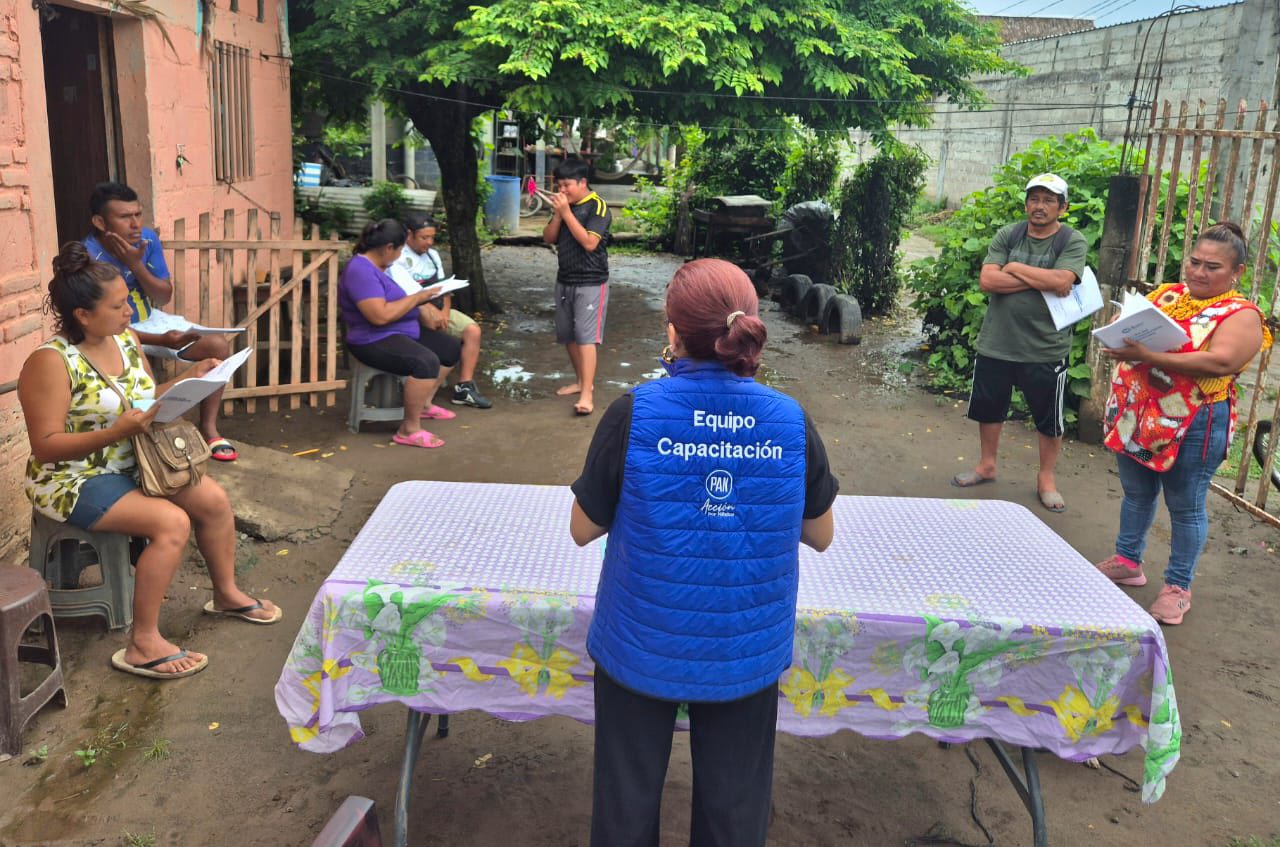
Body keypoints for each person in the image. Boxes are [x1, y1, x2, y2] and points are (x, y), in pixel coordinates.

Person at [570, 258, 839, 847]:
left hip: (641, 642)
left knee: (624, 806)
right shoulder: (789, 421)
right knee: (733, 813)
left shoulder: (634, 411)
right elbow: (820, 535)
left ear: (673, 331)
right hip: (744, 646)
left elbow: (583, 529)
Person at [20, 243, 283, 680]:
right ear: (83, 315)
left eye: (127, 302)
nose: (129, 312)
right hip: (72, 478)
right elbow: (45, 446)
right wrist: (115, 432)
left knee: (214, 501)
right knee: (171, 523)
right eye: (118, 306)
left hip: (137, 461)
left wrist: (190, 379)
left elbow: (141, 400)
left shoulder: (125, 340)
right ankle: (142, 643)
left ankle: (226, 594)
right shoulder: (51, 362)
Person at [1095, 222, 1271, 625]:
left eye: (1212, 267)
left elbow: (1221, 362)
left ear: (1237, 272)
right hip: (1140, 419)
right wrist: (1121, 335)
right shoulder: (1168, 295)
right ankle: (1128, 561)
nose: (1198, 272)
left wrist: (1150, 357)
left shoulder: (1242, 315)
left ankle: (1178, 587)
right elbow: (1132, 328)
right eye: (1194, 262)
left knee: (1186, 504)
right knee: (1137, 492)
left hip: (1194, 425)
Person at [951, 172, 1088, 513]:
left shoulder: (1071, 240)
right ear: (1026, 204)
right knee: (989, 408)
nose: (1039, 206)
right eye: (1034, 199)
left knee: (1049, 418)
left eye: (1048, 200)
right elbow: (988, 280)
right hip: (998, 342)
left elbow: (1063, 279)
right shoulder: (1009, 234)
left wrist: (1013, 268)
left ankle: (1046, 479)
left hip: (1045, 347)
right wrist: (1042, 279)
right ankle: (987, 465)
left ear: (1062, 207)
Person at [83, 182, 238, 462]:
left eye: (137, 214)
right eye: (124, 217)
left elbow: (163, 296)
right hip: (112, 332)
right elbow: (102, 325)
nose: (135, 224)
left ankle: (209, 428)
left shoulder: (147, 240)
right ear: (100, 222)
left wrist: (135, 264)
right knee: (142, 378)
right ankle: (147, 440)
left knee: (218, 346)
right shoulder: (88, 256)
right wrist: (162, 341)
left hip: (149, 320)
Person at [338, 219, 461, 449]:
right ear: (388, 248)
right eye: (400, 249)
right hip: (372, 339)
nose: (401, 254)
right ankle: (409, 429)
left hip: (398, 331)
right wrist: (418, 298)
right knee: (425, 362)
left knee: (450, 348)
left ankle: (423, 405)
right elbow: (379, 316)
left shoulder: (380, 267)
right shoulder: (360, 271)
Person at [387, 214, 492, 409]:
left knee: (472, 330)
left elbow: (445, 289)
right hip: (413, 308)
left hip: (437, 306)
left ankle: (464, 387)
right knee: (434, 330)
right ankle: (421, 398)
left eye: (432, 237)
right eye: (424, 237)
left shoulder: (433, 256)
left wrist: (445, 312)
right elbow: (408, 296)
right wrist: (430, 313)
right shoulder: (397, 257)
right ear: (409, 235)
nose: (429, 242)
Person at [543, 158, 611, 416]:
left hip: (591, 282)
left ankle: (587, 395)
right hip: (564, 279)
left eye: (567, 185)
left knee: (586, 337)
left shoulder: (598, 207)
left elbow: (589, 243)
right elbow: (549, 238)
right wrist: (558, 215)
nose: (562, 191)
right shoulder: (564, 207)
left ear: (583, 182)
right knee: (568, 335)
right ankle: (581, 381)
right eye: (559, 185)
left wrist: (567, 214)